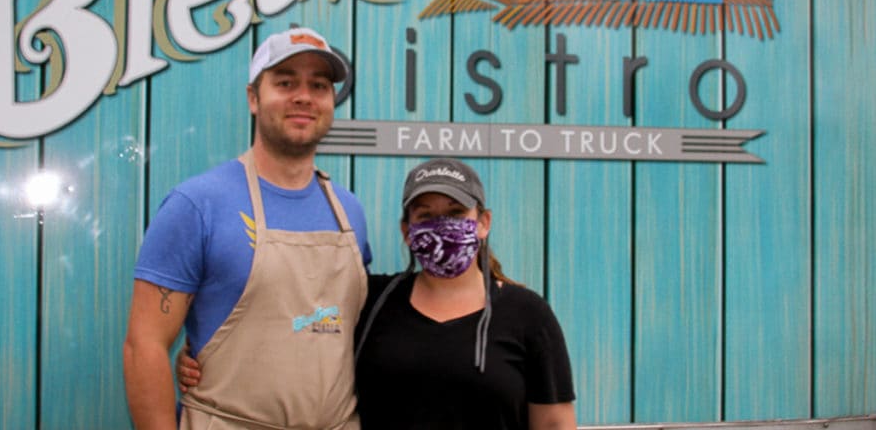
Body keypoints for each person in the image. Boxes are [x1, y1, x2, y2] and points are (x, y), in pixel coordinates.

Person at [177, 157, 577, 430]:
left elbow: (555, 422)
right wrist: (210, 358)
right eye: (426, 215)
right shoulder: (371, 300)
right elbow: (297, 331)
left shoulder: (527, 315)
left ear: (483, 222)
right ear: (407, 230)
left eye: (456, 214)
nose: (442, 226)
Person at [123, 26, 371, 430]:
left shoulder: (349, 211)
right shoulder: (196, 205)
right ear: (253, 98)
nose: (304, 97)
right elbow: (144, 347)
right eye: (285, 83)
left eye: (319, 85)